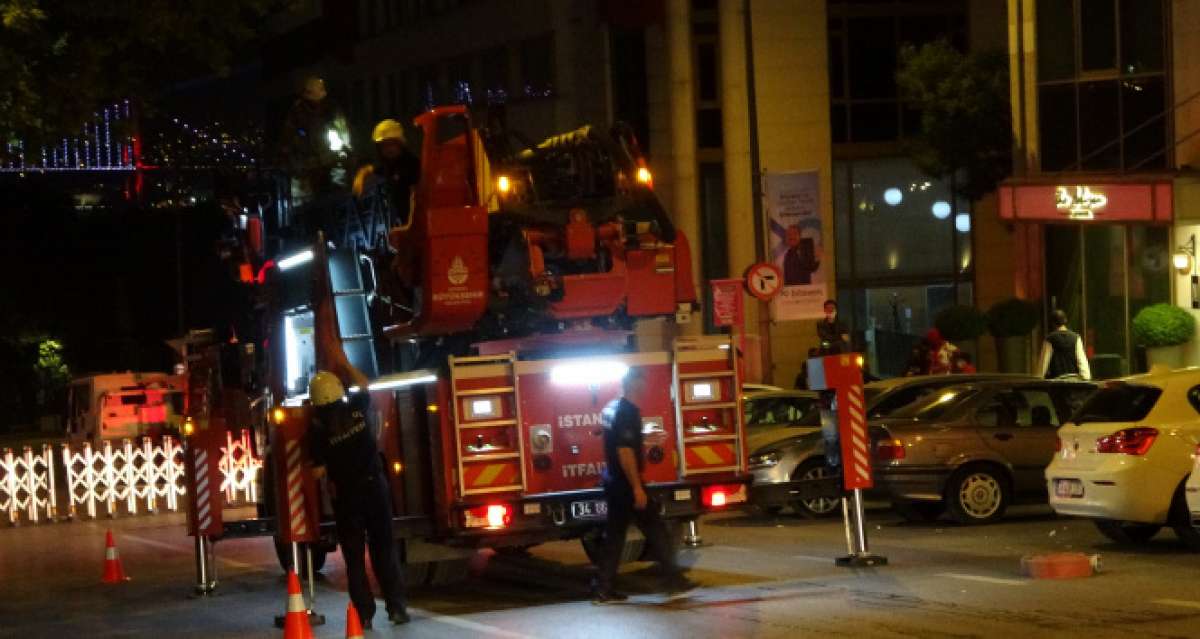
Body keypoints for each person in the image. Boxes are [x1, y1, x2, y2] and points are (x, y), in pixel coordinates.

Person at [306, 371, 409, 627]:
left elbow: (317, 471)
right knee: (384, 549)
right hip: (376, 488)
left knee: (354, 557)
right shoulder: (357, 408)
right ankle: (396, 608)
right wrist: (345, 366)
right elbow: (364, 384)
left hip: (347, 497)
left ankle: (363, 616)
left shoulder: (318, 428)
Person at [594, 367, 697, 603]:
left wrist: (643, 438)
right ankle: (672, 579)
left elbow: (609, 434)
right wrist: (637, 487)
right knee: (654, 529)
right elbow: (624, 451)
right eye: (643, 380)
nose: (645, 385)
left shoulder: (611, 407)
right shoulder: (628, 411)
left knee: (616, 536)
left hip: (613, 480)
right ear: (635, 383)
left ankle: (603, 588)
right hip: (625, 484)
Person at [279, 76, 352, 208]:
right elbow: (289, 142)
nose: (316, 104)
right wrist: (297, 164)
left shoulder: (331, 109)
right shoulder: (296, 113)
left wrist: (345, 150)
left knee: (337, 200)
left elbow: (343, 131)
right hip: (306, 170)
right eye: (313, 101)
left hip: (331, 163)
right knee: (307, 208)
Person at [353, 119, 421, 224]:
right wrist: (361, 176)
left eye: (391, 144)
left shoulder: (412, 164)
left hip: (418, 222)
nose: (388, 149)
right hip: (406, 221)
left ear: (400, 143)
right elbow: (371, 169)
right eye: (384, 146)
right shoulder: (389, 166)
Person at [1040, 310, 1091, 380]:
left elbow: (1043, 366)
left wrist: (1039, 379)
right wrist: (1086, 377)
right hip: (1073, 383)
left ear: (1052, 323)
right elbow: (1082, 362)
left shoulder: (1050, 339)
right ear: (1065, 320)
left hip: (1056, 384)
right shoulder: (1076, 338)